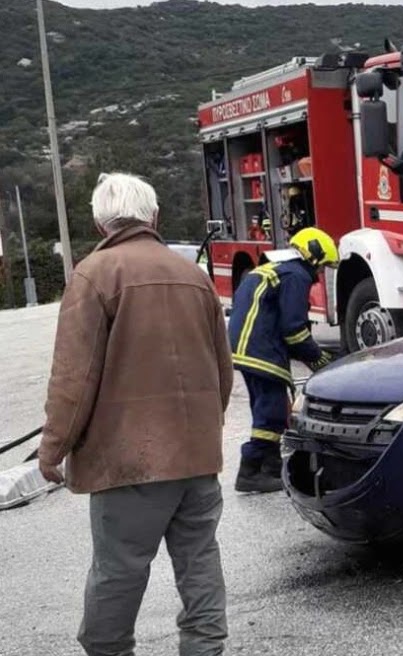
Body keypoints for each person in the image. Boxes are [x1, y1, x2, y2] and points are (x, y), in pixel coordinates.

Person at [38, 172, 233, 656]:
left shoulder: (94, 275)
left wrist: (52, 448)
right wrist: (204, 430)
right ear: (154, 217)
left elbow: (73, 381)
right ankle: (205, 649)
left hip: (129, 463)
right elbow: (221, 372)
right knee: (199, 562)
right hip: (196, 457)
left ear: (100, 222)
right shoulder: (195, 276)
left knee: (119, 571)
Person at [228, 226, 338, 493]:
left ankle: (270, 468)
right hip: (261, 350)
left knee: (268, 407)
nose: (320, 275)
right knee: (273, 411)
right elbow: (295, 330)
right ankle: (251, 470)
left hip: (246, 347)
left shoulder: (275, 269)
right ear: (313, 256)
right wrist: (321, 361)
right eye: (322, 268)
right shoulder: (296, 275)